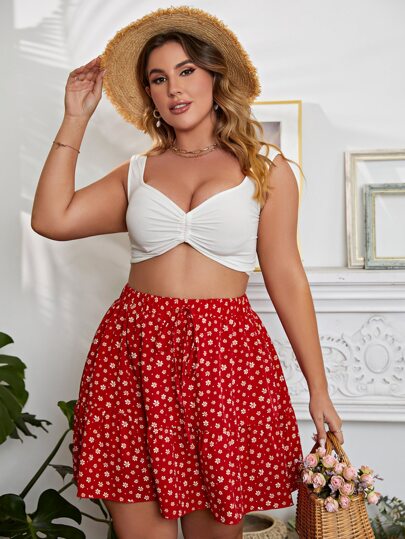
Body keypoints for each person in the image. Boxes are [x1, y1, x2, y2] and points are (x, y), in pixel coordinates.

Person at [31, 6, 343, 539]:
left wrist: (319, 389)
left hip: (225, 360)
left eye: (186, 71)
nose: (173, 87)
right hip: (133, 356)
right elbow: (51, 219)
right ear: (149, 95)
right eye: (158, 78)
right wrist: (75, 118)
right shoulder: (137, 172)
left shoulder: (266, 170)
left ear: (214, 76)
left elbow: (287, 277)